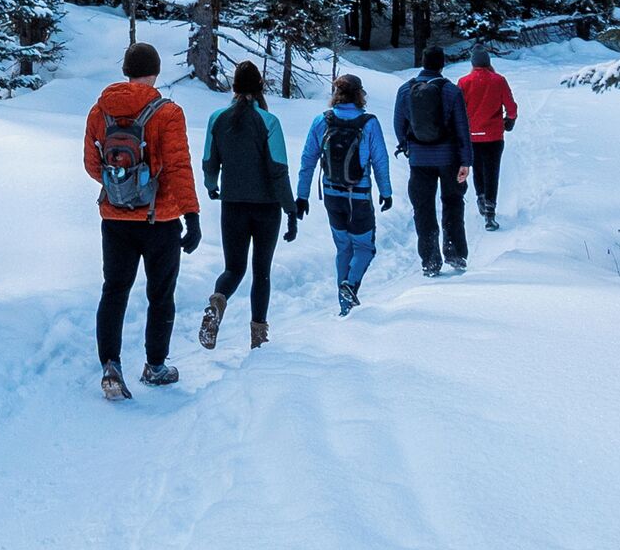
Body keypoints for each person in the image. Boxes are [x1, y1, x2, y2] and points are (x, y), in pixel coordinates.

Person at [83, 39, 200, 399]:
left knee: (114, 290)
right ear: (156, 72)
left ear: (126, 71)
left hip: (114, 218)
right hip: (159, 219)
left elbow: (91, 166)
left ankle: (110, 365)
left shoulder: (99, 111)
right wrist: (191, 214)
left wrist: (120, 186)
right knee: (160, 294)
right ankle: (155, 366)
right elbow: (179, 167)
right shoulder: (167, 112)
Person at [199, 60, 300, 348]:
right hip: (266, 207)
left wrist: (212, 186)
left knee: (233, 268)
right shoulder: (269, 122)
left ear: (234, 87)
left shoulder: (217, 119)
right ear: (260, 88)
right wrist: (290, 209)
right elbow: (278, 169)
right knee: (261, 272)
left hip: (232, 204)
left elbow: (209, 161)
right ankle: (258, 338)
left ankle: (217, 302)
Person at [295, 71, 391, 313]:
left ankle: (344, 305)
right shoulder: (369, 123)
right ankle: (349, 286)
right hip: (358, 196)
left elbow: (308, 160)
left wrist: (302, 196)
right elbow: (380, 161)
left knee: (343, 247)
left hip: (331, 195)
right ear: (360, 95)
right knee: (365, 248)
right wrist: (386, 192)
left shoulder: (322, 121)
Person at [393, 42, 474, 276]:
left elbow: (399, 124)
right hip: (448, 158)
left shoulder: (405, 89)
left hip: (419, 160)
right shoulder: (451, 91)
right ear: (442, 65)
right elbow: (462, 128)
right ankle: (455, 252)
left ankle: (430, 260)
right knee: (452, 202)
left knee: (423, 208)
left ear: (422, 63)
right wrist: (465, 161)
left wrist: (408, 147)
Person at [459, 44, 518, 228]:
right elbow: (511, 107)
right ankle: (490, 212)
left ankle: (481, 198)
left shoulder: (464, 82)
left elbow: (458, 109)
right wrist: (510, 120)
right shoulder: (499, 80)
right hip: (494, 135)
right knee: (492, 171)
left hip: (472, 136)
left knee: (477, 169)